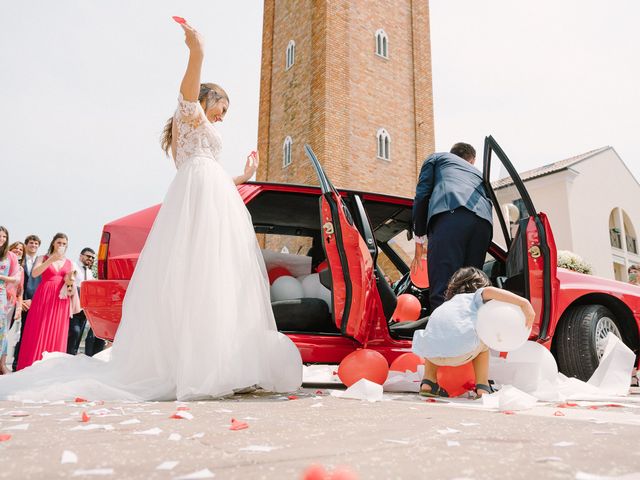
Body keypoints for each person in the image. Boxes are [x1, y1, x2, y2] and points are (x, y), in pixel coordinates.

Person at [0, 19, 302, 401]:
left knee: (212, 277)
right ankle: (192, 367)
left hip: (211, 196)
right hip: (199, 201)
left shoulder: (196, 141)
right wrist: (198, 53)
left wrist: (244, 175)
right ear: (207, 100)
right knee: (199, 273)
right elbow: (188, 100)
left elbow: (211, 171)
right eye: (221, 107)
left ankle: (215, 361)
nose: (223, 115)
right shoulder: (189, 115)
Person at [412, 267, 535, 397]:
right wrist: (523, 303)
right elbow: (490, 291)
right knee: (483, 341)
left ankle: (428, 382)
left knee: (433, 336)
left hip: (431, 355)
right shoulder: (475, 296)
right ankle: (483, 386)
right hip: (462, 353)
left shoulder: (447, 304)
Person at [411, 143, 493, 312]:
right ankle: (473, 335)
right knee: (472, 288)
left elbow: (422, 195)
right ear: (472, 160)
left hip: (451, 216)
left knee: (443, 287)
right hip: (484, 224)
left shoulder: (437, 158)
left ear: (453, 153)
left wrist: (419, 239)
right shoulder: (477, 173)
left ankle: (443, 336)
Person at [15, 233, 78, 370]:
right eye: (59, 242)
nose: (61, 245)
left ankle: (52, 368)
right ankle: (31, 364)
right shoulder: (42, 258)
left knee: (57, 330)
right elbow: (35, 273)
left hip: (61, 300)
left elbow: (70, 283)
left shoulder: (70, 263)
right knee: (38, 329)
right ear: (53, 243)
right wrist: (50, 260)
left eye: (64, 244)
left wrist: (70, 281)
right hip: (43, 296)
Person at [11, 235, 42, 371]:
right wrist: (21, 301)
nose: (33, 245)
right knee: (16, 333)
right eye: (31, 243)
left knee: (29, 334)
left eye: (36, 243)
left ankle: (26, 364)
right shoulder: (20, 261)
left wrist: (33, 301)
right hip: (19, 301)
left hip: (34, 303)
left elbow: (41, 284)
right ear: (26, 244)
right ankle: (16, 363)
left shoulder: (41, 262)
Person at [67, 248, 104, 356]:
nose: (91, 259)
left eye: (93, 257)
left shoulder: (89, 272)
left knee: (78, 335)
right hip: (73, 306)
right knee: (74, 332)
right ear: (81, 256)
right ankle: (67, 354)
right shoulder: (73, 265)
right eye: (88, 256)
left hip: (84, 308)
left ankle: (72, 355)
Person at [0, 228, 21, 375]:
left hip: (1, 295)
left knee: (2, 330)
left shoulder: (10, 256)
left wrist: (1, 278)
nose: (1, 238)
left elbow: (16, 278)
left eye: (4, 236)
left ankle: (2, 365)